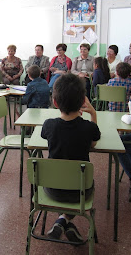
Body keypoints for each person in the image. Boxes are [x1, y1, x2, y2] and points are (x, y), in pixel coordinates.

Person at [41, 73, 100, 242]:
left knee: (62, 180)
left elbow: (46, 136)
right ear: (83, 102)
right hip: (81, 191)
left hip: (51, 189)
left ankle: (61, 221)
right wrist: (93, 113)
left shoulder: (49, 125)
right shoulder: (88, 128)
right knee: (82, 182)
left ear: (55, 102)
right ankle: (65, 220)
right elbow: (94, 143)